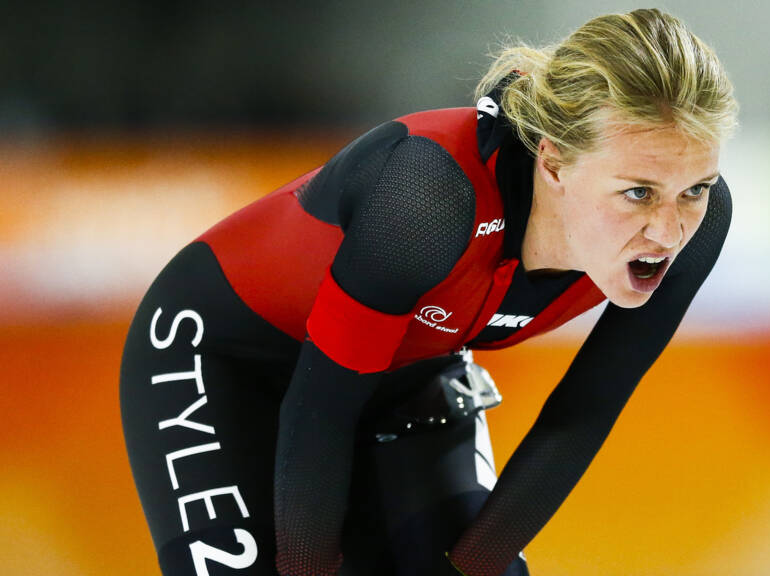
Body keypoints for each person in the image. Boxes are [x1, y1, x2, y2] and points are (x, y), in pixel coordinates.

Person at [119, 8, 738, 576]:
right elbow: (322, 408)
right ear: (552, 163)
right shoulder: (430, 198)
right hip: (226, 357)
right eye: (638, 192)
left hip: (402, 371)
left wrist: (468, 566)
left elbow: (584, 411)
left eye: (695, 187)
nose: (669, 230)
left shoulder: (698, 222)